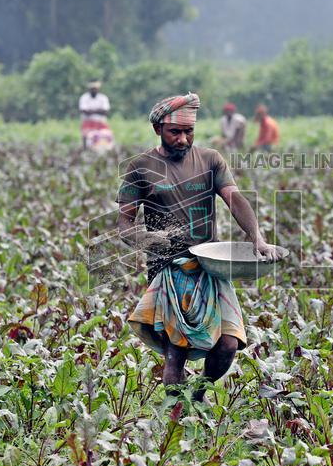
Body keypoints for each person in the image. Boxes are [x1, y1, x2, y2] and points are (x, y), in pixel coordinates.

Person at [116, 93, 280, 403]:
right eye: (174, 132)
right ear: (158, 130)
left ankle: (200, 392)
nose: (182, 139)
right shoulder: (140, 167)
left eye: (188, 132)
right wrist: (147, 238)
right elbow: (124, 224)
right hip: (169, 267)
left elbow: (234, 198)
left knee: (229, 343)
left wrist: (256, 236)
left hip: (210, 265)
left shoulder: (211, 160)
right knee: (176, 351)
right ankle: (176, 415)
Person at [79, 81, 114, 151]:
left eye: (95, 89)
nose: (94, 90)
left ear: (98, 89)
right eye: (92, 89)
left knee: (108, 135)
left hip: (101, 123)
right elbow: (84, 111)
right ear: (90, 89)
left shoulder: (103, 98)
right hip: (88, 123)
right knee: (86, 136)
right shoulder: (84, 98)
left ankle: (109, 151)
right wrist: (98, 110)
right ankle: (85, 150)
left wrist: (91, 111)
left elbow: (105, 112)